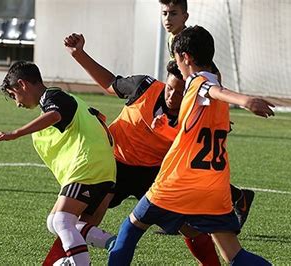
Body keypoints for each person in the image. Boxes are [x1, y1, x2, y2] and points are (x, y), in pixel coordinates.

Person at [108, 25, 274, 265]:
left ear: (185, 57)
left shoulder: (198, 83)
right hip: (214, 185)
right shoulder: (211, 90)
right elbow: (194, 130)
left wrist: (246, 100)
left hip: (179, 182)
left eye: (178, 59)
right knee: (234, 255)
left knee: (131, 227)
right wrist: (164, 127)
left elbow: (212, 89)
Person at [65, 32, 220, 265]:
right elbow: (110, 83)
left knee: (189, 226)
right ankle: (66, 260)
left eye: (180, 93)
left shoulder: (193, 112)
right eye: (170, 89)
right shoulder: (144, 87)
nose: (172, 96)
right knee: (77, 220)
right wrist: (79, 54)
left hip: (153, 173)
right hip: (112, 164)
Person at [0, 61, 117, 265]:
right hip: (100, 168)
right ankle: (112, 242)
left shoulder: (53, 96)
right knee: (54, 222)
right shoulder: (63, 100)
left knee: (62, 220)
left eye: (14, 95)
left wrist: (15, 133)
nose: (17, 103)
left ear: (22, 85)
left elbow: (54, 115)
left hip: (89, 166)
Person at [160, 0, 253, 227]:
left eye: (173, 14)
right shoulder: (174, 40)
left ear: (185, 16)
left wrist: (219, 112)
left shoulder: (192, 42)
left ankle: (182, 216)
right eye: (164, 13)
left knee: (189, 162)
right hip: (187, 108)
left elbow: (212, 77)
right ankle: (185, 215)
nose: (167, 19)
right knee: (184, 161)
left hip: (200, 112)